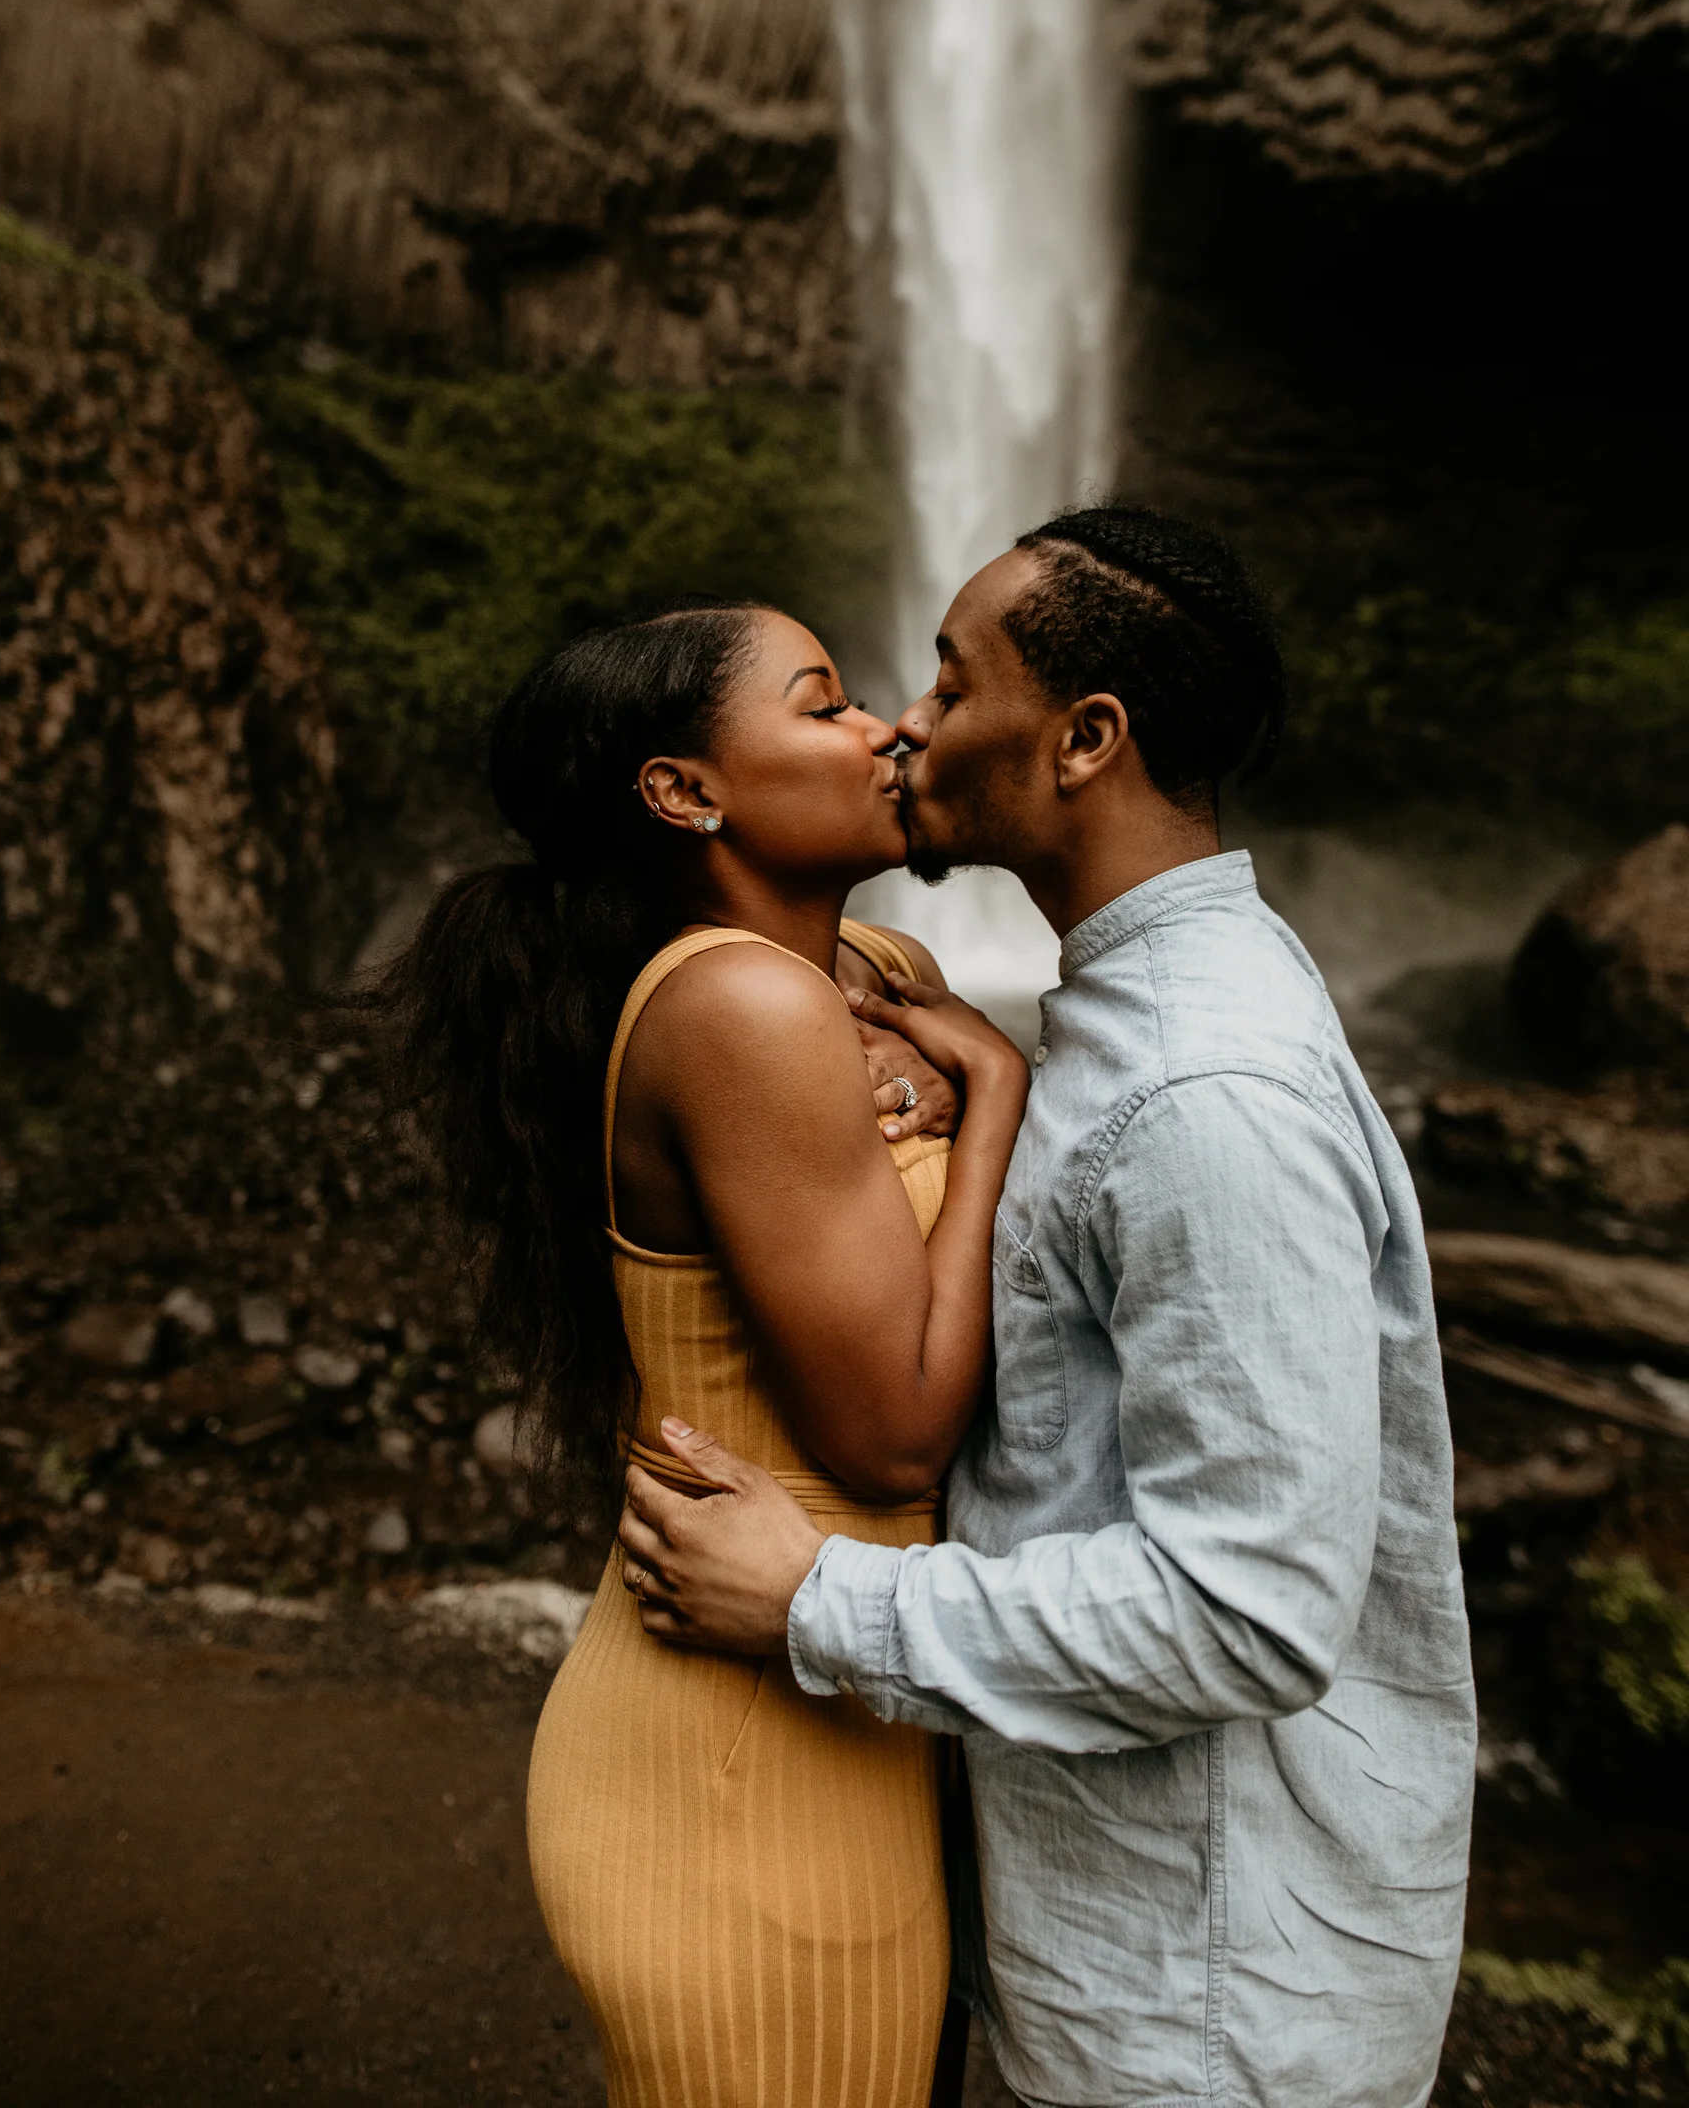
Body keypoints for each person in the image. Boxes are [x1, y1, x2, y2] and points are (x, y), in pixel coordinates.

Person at [618, 504, 1478, 2108]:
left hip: (1215, 2004)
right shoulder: (1125, 1022)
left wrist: (817, 1601)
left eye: (951, 683)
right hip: (1148, 1950)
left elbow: (1253, 1606)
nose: (909, 724)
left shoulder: (1202, 1091)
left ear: (1084, 739)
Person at [375, 598, 1030, 2108]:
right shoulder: (740, 1004)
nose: (885, 729)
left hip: (849, 1698)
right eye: (821, 705)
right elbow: (893, 1440)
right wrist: (993, 1091)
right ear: (684, 790)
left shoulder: (865, 962)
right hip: (742, 1760)